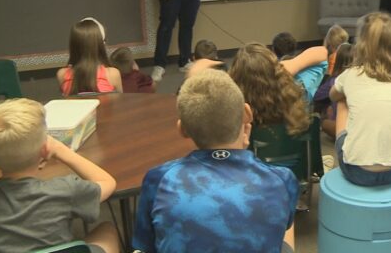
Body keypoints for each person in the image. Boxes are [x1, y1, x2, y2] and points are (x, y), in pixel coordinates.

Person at [133, 69, 298, 253]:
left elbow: (148, 244)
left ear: (182, 129)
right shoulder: (283, 179)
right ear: (247, 113)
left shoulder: (158, 179)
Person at [0, 98, 119, 252]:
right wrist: (60, 149)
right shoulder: (66, 190)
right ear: (44, 149)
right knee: (107, 229)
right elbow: (107, 182)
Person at [330, 12, 391, 186]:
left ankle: (341, 159)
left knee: (342, 101)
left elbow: (332, 95)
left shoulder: (351, 74)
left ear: (362, 44)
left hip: (357, 171)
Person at [229, 43, 327, 135]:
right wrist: (282, 69)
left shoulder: (229, 109)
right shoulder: (298, 94)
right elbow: (322, 53)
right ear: (276, 70)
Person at [57, 18, 122, 96]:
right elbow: (120, 104)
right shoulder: (113, 74)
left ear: (73, 45)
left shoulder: (61, 74)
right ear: (101, 45)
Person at [314, 43, 353, 138]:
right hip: (357, 125)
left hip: (342, 126)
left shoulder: (334, 81)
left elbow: (316, 95)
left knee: (323, 122)